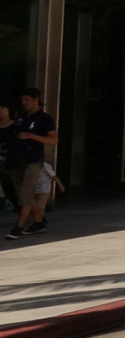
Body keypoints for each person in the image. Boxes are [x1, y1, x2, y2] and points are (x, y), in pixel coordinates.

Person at [5, 88, 56, 240]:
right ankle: (39, 222)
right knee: (22, 194)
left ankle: (18, 226)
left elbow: (54, 140)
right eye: (22, 100)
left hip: (33, 159)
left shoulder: (45, 119)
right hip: (17, 159)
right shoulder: (21, 117)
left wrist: (32, 136)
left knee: (26, 194)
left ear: (35, 101)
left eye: (27, 100)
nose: (24, 103)